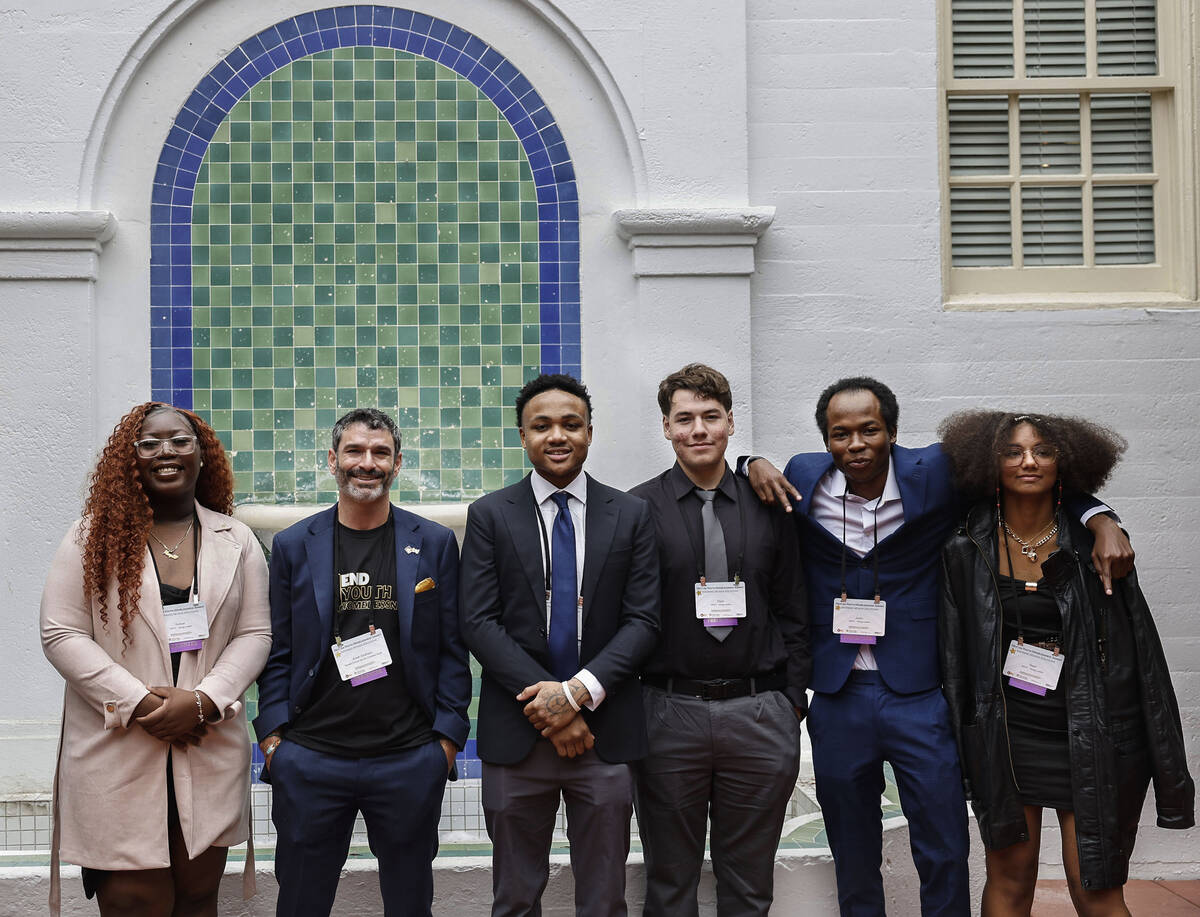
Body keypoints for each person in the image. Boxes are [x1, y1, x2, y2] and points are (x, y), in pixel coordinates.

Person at [741, 377, 1135, 917]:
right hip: (836, 693)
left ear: (892, 431)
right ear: (826, 439)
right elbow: (735, 480)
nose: (855, 444)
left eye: (869, 430)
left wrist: (1099, 516)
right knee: (852, 851)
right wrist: (749, 461)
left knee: (944, 845)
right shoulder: (803, 475)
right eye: (840, 434)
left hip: (920, 691)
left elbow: (1026, 479)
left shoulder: (935, 474)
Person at [938, 410, 1194, 916]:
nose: (1028, 461)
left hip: (1089, 730)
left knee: (1095, 887)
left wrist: (1102, 519)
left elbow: (1140, 654)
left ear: (1066, 464)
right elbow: (954, 652)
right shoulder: (965, 545)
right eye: (1013, 451)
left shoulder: (1098, 546)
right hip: (1008, 735)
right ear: (990, 464)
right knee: (1010, 879)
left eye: (1043, 451)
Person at [40, 402, 271, 917]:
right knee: (133, 899)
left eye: (180, 441)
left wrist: (203, 701)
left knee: (197, 895)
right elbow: (61, 633)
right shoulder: (90, 537)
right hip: (119, 741)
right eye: (149, 443)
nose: (166, 452)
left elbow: (255, 632)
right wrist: (141, 702)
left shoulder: (236, 539)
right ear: (131, 459)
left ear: (202, 455)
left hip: (205, 738)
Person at [253, 407, 470, 917]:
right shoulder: (293, 545)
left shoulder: (434, 543)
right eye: (354, 451)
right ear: (333, 460)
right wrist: (274, 740)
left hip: (408, 757)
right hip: (311, 757)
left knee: (410, 904)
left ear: (398, 463)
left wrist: (445, 743)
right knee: (301, 904)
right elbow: (278, 649)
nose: (367, 463)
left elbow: (452, 649)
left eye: (380, 453)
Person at [459, 373, 660, 917]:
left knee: (605, 899)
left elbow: (644, 621)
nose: (557, 435)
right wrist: (551, 706)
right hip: (517, 735)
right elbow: (477, 621)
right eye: (541, 425)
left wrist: (575, 695)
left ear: (589, 432)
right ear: (522, 436)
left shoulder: (631, 514)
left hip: (606, 734)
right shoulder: (490, 514)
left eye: (571, 424)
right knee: (515, 898)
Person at [630, 363, 809, 916]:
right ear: (666, 428)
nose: (699, 430)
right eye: (685, 419)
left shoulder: (770, 503)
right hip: (669, 714)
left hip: (759, 713)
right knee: (669, 883)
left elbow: (793, 606)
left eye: (711, 416)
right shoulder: (637, 509)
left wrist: (790, 700)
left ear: (731, 422)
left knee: (749, 887)